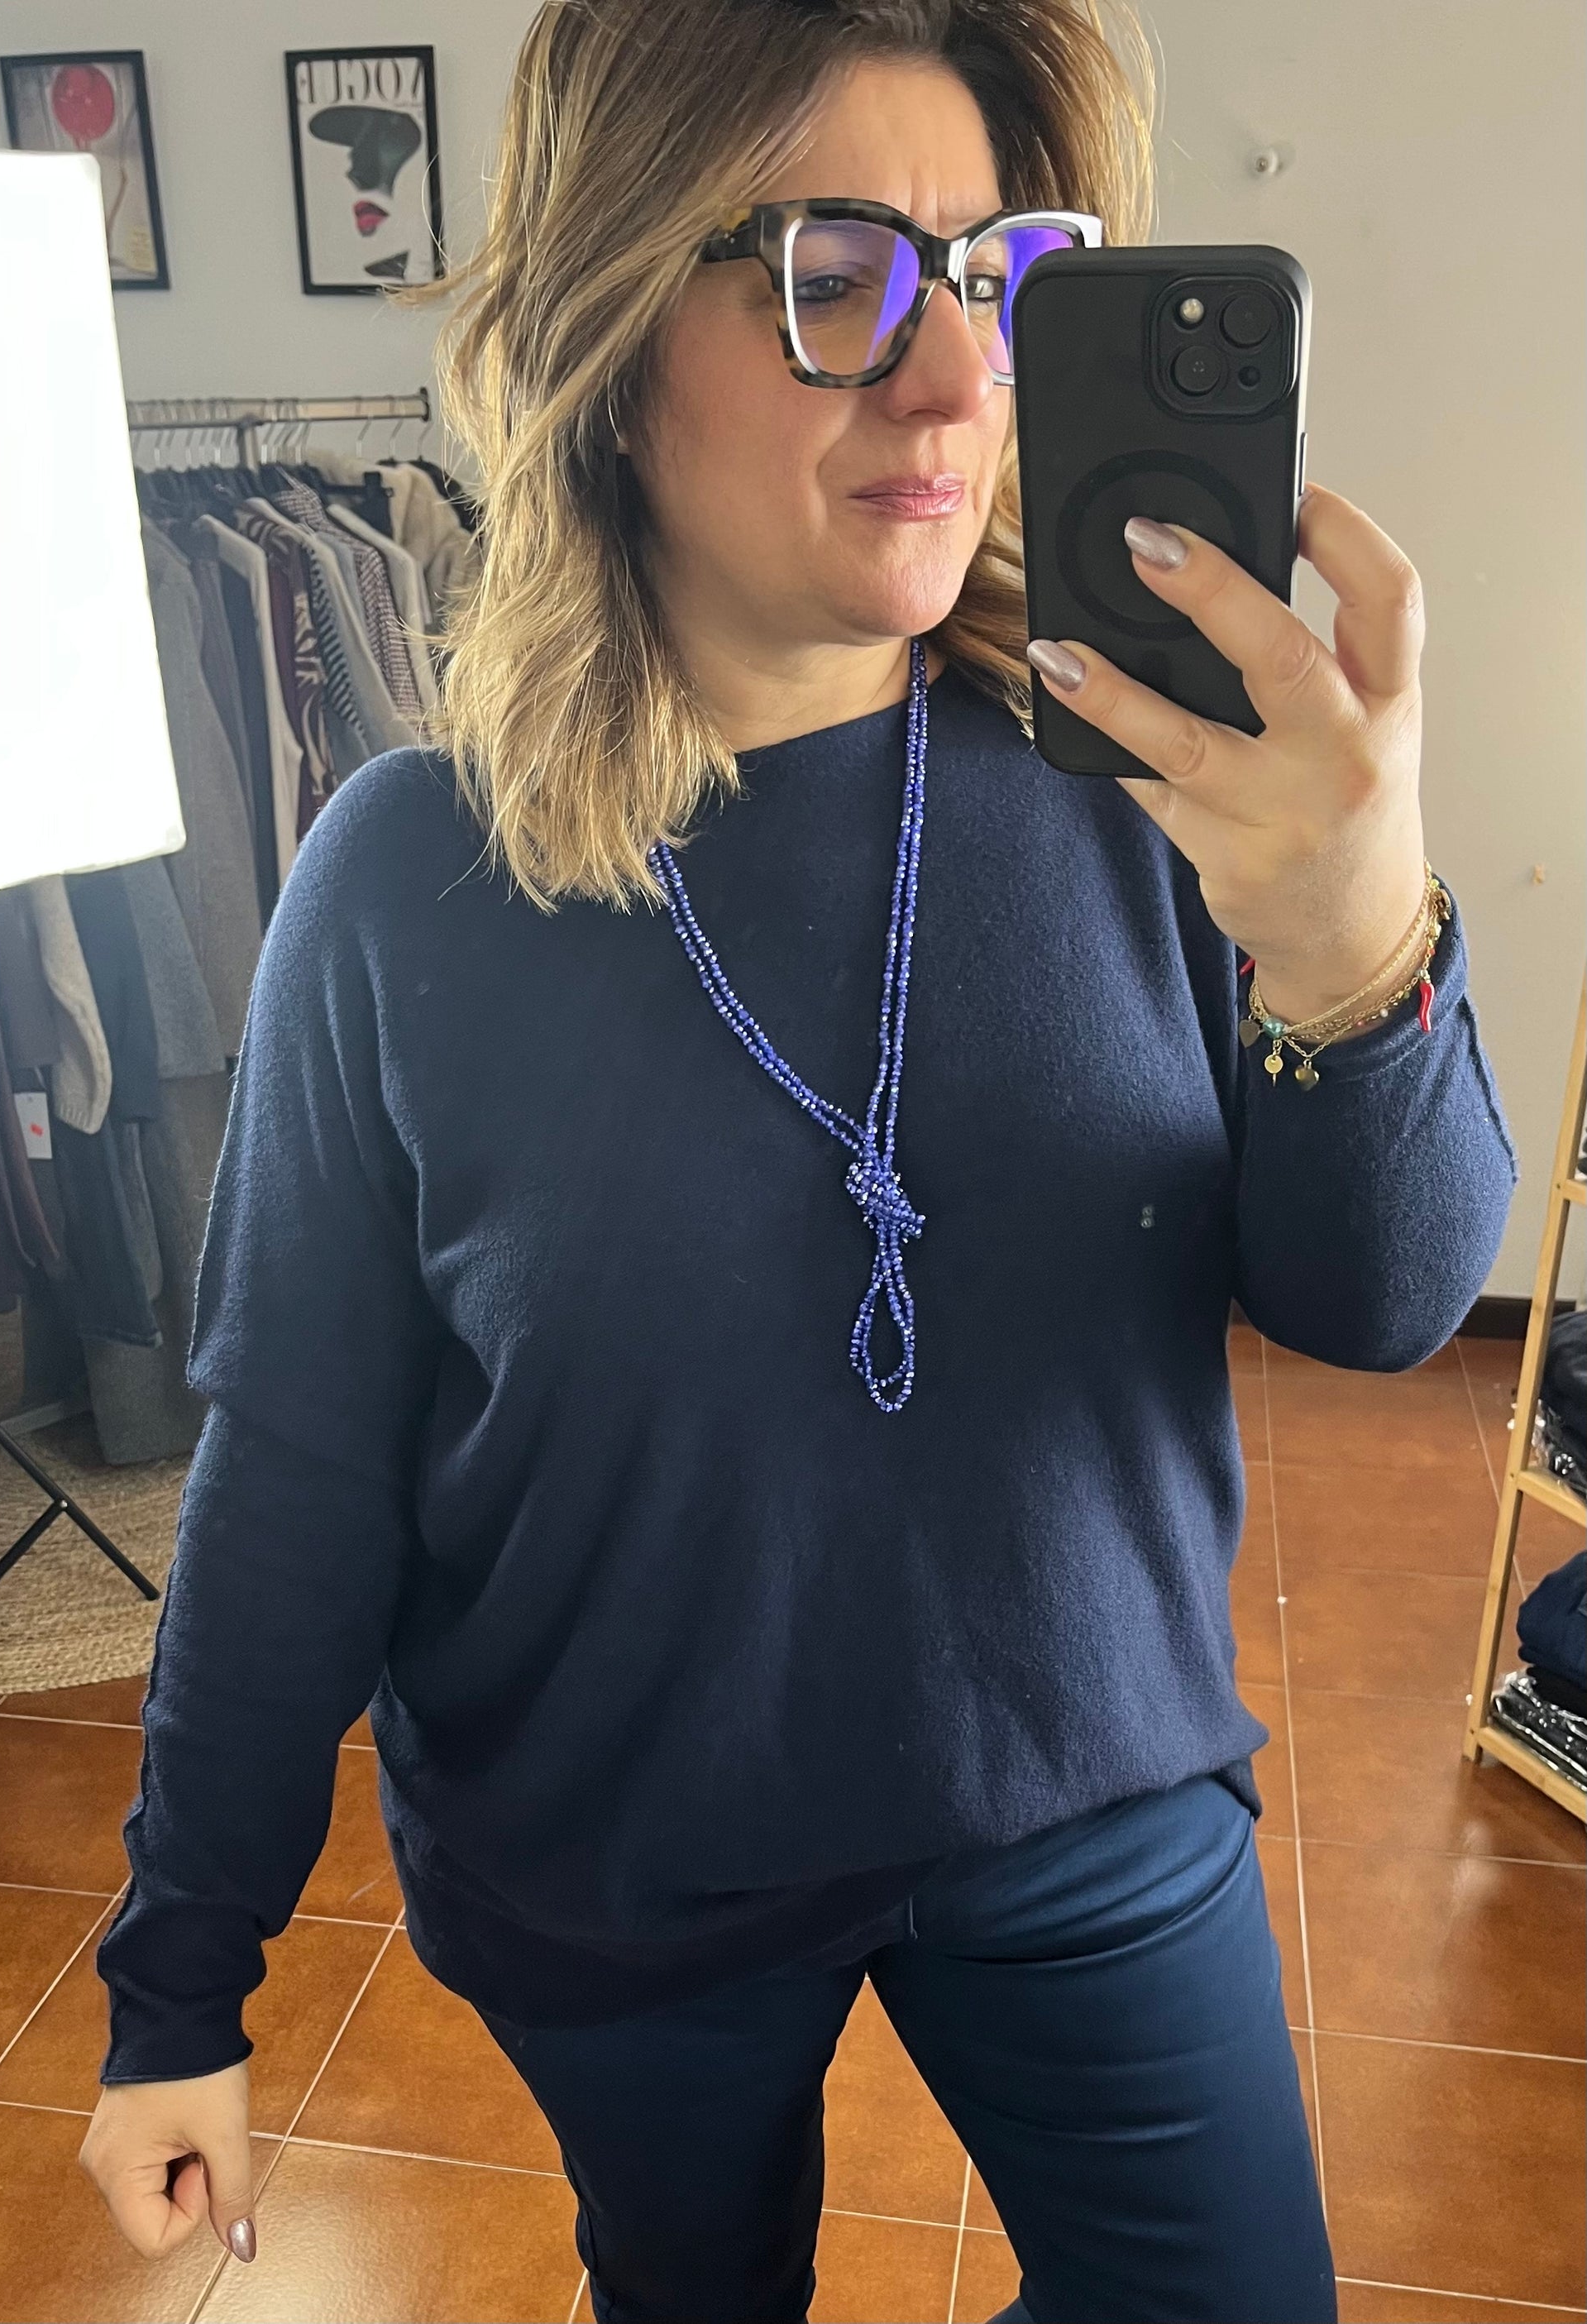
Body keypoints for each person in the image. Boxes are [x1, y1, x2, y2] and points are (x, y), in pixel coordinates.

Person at [79, 2, 1517, 2318]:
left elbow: (1383, 1304)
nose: (950, 386)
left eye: (996, 279)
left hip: (1080, 1777)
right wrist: (179, 1986)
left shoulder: (1157, 791)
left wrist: (1358, 947)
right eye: (833, 278)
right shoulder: (408, 884)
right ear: (607, 330)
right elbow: (299, 1473)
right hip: (621, 1858)